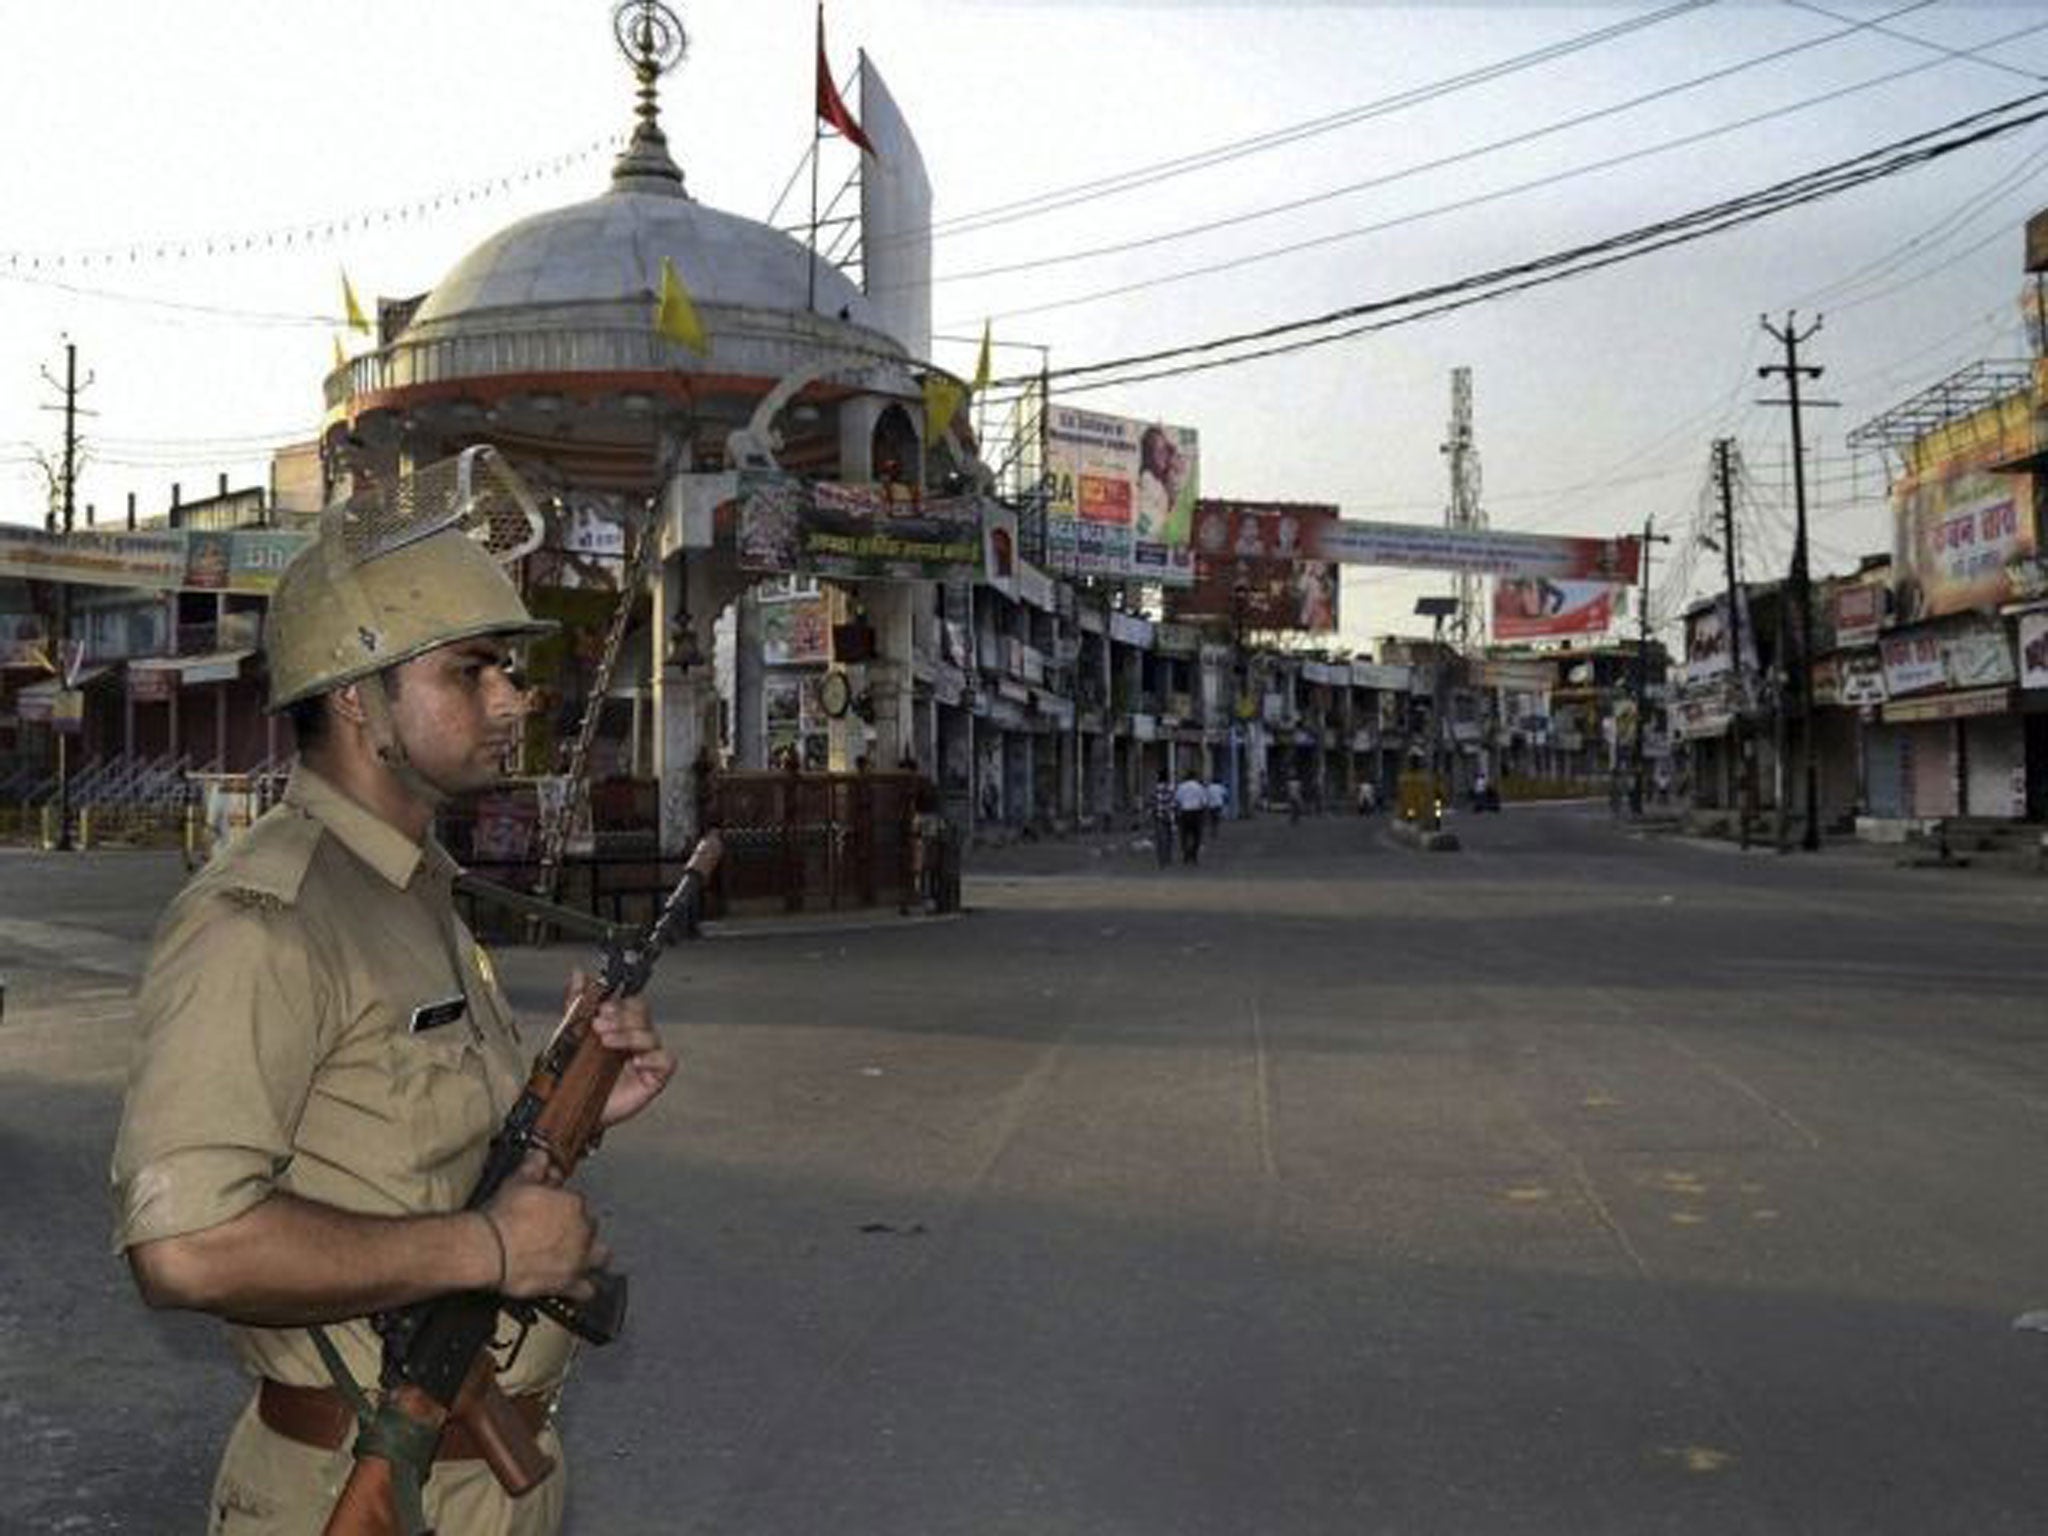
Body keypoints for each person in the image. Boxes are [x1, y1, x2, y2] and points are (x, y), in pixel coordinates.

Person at [109, 459, 676, 1536]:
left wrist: (569, 1110)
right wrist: (489, 1254)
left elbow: (406, 1151)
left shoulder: (416, 893)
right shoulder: (262, 920)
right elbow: (184, 1247)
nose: (512, 699)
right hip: (356, 1484)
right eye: (471, 672)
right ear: (360, 702)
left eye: (508, 671)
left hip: (488, 1482)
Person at [1174, 768, 1209, 864]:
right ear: (1195, 777)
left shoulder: (1181, 787)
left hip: (1184, 812)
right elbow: (1204, 802)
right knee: (1197, 835)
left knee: (1184, 835)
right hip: (1197, 813)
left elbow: (1177, 800)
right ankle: (1194, 855)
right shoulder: (1199, 787)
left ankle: (1186, 854)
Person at [1151, 768, 1175, 868]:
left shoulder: (1155, 789)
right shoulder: (1171, 788)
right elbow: (1173, 803)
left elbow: (1153, 803)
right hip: (1169, 816)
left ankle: (1161, 860)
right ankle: (1167, 857)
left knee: (1160, 839)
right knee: (1169, 838)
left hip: (1159, 816)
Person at [1205, 775, 1226, 840]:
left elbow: (1206, 795)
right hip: (1218, 804)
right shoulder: (1221, 787)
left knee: (1211, 818)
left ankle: (1212, 829)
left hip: (1211, 805)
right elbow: (1224, 794)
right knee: (1217, 818)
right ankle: (1215, 829)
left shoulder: (1209, 787)